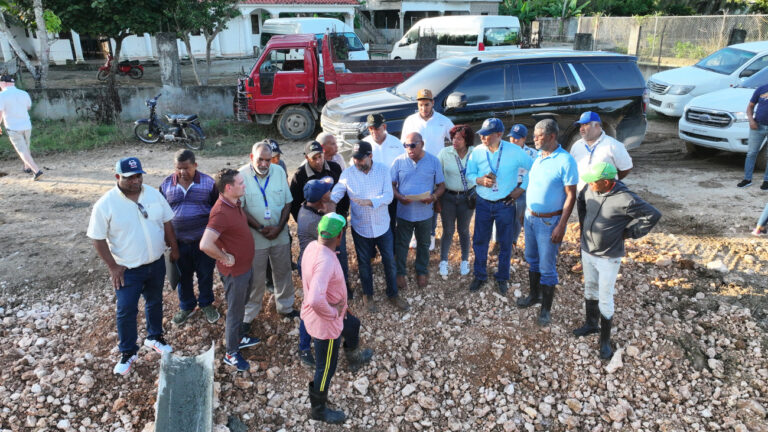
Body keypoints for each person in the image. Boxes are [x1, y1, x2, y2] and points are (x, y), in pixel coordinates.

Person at [87, 157, 176, 375]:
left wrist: (174, 247)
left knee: (155, 301)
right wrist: (113, 267)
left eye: (139, 176)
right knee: (126, 310)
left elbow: (166, 221)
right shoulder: (105, 204)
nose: (136, 181)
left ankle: (155, 337)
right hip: (128, 270)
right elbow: (97, 239)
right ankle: (128, 352)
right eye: (130, 177)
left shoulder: (153, 194)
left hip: (155, 264)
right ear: (118, 177)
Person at [575, 162, 661, 359]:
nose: (589, 185)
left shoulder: (625, 198)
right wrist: (584, 227)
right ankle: (590, 324)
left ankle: (604, 341)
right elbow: (581, 200)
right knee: (590, 287)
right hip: (588, 251)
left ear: (606, 182)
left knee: (605, 297)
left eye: (594, 182)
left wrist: (629, 232)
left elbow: (653, 215)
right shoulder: (590, 188)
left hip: (608, 257)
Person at [301, 213, 373, 424]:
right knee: (326, 369)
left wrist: (340, 306)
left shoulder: (313, 247)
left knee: (353, 325)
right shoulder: (325, 261)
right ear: (339, 236)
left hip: (335, 312)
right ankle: (319, 410)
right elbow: (315, 298)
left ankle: (352, 356)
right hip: (326, 323)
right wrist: (333, 313)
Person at [331, 140, 410, 312]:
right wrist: (326, 201)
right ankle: (368, 295)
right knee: (364, 263)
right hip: (361, 228)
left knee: (389, 261)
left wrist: (370, 202)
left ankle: (393, 294)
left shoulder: (382, 170)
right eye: (355, 159)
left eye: (361, 159)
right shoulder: (348, 174)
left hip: (382, 226)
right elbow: (338, 191)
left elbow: (389, 196)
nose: (357, 162)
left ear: (370, 156)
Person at [517, 119, 578, 326]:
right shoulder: (538, 157)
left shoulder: (565, 161)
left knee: (547, 266)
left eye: (539, 135)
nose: (534, 138)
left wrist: (561, 224)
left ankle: (546, 309)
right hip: (531, 218)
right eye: (534, 134)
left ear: (552, 136)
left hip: (549, 222)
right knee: (532, 259)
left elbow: (571, 196)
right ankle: (534, 295)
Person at [199, 169, 260, 371]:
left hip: (245, 267)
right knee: (235, 311)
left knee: (241, 306)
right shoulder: (220, 212)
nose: (244, 185)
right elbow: (205, 244)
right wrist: (224, 257)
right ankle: (231, 353)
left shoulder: (235, 203)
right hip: (235, 273)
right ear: (228, 187)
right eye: (241, 183)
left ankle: (238, 338)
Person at [465, 118, 532, 294]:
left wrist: (521, 188)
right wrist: (479, 180)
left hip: (505, 203)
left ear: (499, 135)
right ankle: (480, 275)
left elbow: (533, 168)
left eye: (487, 135)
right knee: (480, 240)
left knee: (505, 242)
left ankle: (502, 277)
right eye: (481, 134)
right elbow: (469, 174)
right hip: (483, 202)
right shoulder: (478, 152)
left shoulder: (514, 151)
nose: (483, 138)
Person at [239, 141, 298, 327]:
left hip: (279, 233)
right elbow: (240, 209)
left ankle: (286, 308)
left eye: (268, 160)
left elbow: (288, 202)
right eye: (260, 160)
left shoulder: (279, 171)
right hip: (256, 236)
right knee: (256, 278)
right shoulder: (240, 176)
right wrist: (259, 227)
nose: (264, 164)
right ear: (251, 158)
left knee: (283, 272)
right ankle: (248, 316)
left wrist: (280, 227)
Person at [159, 150, 220, 326]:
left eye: (186, 168)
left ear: (195, 165)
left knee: (205, 274)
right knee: (182, 276)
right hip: (178, 243)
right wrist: (169, 244)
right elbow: (162, 215)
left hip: (204, 242)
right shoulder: (166, 185)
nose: (182, 172)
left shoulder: (209, 183)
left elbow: (217, 211)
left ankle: (207, 304)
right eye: (179, 168)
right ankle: (186, 306)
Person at [569, 111, 634, 273]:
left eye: (585, 125)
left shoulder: (613, 146)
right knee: (586, 226)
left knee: (604, 228)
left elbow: (625, 168)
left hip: (605, 197)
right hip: (584, 195)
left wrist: (611, 184)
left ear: (597, 126)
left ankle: (606, 260)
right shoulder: (577, 146)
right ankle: (584, 260)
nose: (581, 129)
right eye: (580, 126)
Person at [401, 88, 454, 250]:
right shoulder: (410, 120)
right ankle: (413, 236)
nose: (424, 108)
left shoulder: (443, 121)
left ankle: (430, 235)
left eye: (427, 104)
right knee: (413, 200)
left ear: (433, 104)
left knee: (431, 201)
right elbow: (403, 144)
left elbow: (455, 139)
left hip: (434, 168)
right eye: (421, 105)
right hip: (414, 166)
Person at [391, 132, 445, 289]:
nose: (409, 148)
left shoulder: (433, 161)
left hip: (425, 213)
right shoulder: (399, 162)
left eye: (413, 145)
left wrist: (433, 197)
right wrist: (400, 197)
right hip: (404, 212)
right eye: (406, 145)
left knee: (424, 243)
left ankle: (421, 270)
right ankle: (400, 272)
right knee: (401, 244)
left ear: (422, 144)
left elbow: (441, 185)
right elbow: (392, 185)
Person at [295, 177, 336, 368]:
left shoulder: (306, 207)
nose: (331, 192)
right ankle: (304, 347)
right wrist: (331, 211)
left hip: (311, 261)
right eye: (327, 191)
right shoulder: (314, 221)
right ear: (321, 200)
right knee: (312, 305)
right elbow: (337, 233)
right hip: (313, 268)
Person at [437, 125, 476, 277]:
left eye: (459, 138)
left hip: (467, 197)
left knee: (464, 230)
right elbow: (436, 175)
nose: (454, 141)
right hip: (448, 197)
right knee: (448, 230)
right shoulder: (445, 153)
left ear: (467, 140)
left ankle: (465, 260)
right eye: (453, 138)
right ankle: (443, 261)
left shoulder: (475, 153)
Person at [363, 113, 405, 235]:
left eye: (376, 128)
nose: (373, 132)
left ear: (384, 127)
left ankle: (392, 250)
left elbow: (403, 166)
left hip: (392, 190)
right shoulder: (364, 144)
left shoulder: (396, 143)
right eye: (370, 129)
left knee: (392, 221)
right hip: (372, 192)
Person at [0, 75, 43, 180]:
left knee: (21, 150)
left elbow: (0, 112)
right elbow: (28, 107)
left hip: (13, 126)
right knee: (26, 147)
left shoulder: (2, 95)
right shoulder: (23, 93)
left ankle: (36, 171)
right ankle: (27, 167)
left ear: (4, 83)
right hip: (26, 125)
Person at [507, 124, 537, 250]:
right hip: (506, 187)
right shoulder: (504, 151)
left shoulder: (532, 153)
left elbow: (532, 173)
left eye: (517, 138)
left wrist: (521, 189)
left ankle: (513, 241)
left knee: (518, 216)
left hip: (522, 188)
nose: (513, 140)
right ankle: (497, 241)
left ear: (524, 138)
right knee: (502, 215)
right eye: (511, 137)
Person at [739, 81, 768, 189]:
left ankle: (766, 180)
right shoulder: (761, 89)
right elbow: (750, 107)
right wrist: (751, 121)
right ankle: (747, 179)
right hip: (757, 126)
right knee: (751, 153)